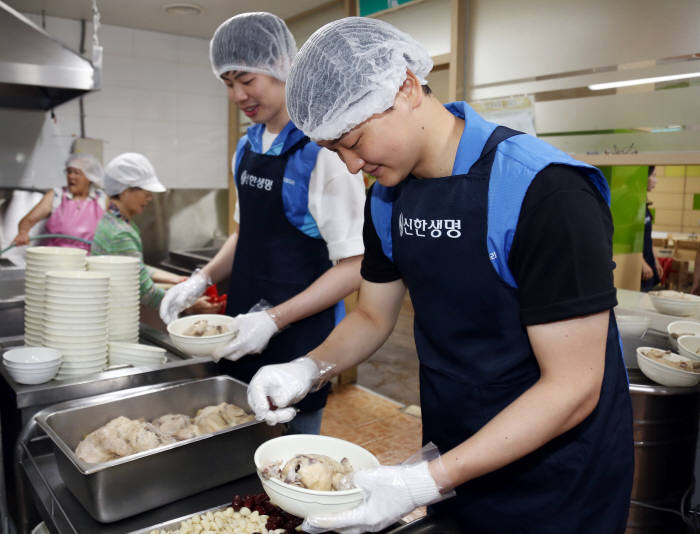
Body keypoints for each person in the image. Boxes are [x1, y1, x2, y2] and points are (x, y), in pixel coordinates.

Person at [247, 17, 634, 533]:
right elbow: (371, 314)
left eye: (355, 140)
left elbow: (574, 386)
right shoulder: (387, 198)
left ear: (406, 87)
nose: (352, 167)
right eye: (333, 150)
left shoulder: (543, 192)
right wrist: (306, 368)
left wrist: (421, 483)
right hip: (455, 453)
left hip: (558, 476)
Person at [158, 13, 365, 435]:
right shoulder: (247, 148)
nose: (237, 95)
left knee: (287, 455)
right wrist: (200, 279)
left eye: (245, 79)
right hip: (239, 331)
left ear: (282, 66)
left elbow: (355, 265)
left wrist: (273, 320)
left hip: (298, 339)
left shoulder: (323, 151)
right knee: (236, 451)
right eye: (228, 84)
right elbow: (244, 233)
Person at [91, 152, 219, 314]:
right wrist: (188, 305)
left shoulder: (111, 221)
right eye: (145, 191)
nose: (149, 198)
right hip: (115, 312)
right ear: (125, 191)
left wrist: (174, 279)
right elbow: (145, 293)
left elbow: (135, 267)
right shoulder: (121, 234)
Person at [11, 153, 106, 251]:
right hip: (55, 257)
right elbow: (28, 220)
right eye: (69, 172)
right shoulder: (57, 195)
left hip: (89, 259)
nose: (71, 176)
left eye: (76, 173)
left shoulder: (102, 199)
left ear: (90, 177)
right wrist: (23, 232)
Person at [641, 165, 662, 291]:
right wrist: (641, 263)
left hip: (648, 262)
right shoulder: (631, 201)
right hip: (638, 266)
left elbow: (647, 237)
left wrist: (655, 260)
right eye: (653, 176)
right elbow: (626, 240)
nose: (656, 180)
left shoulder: (644, 203)